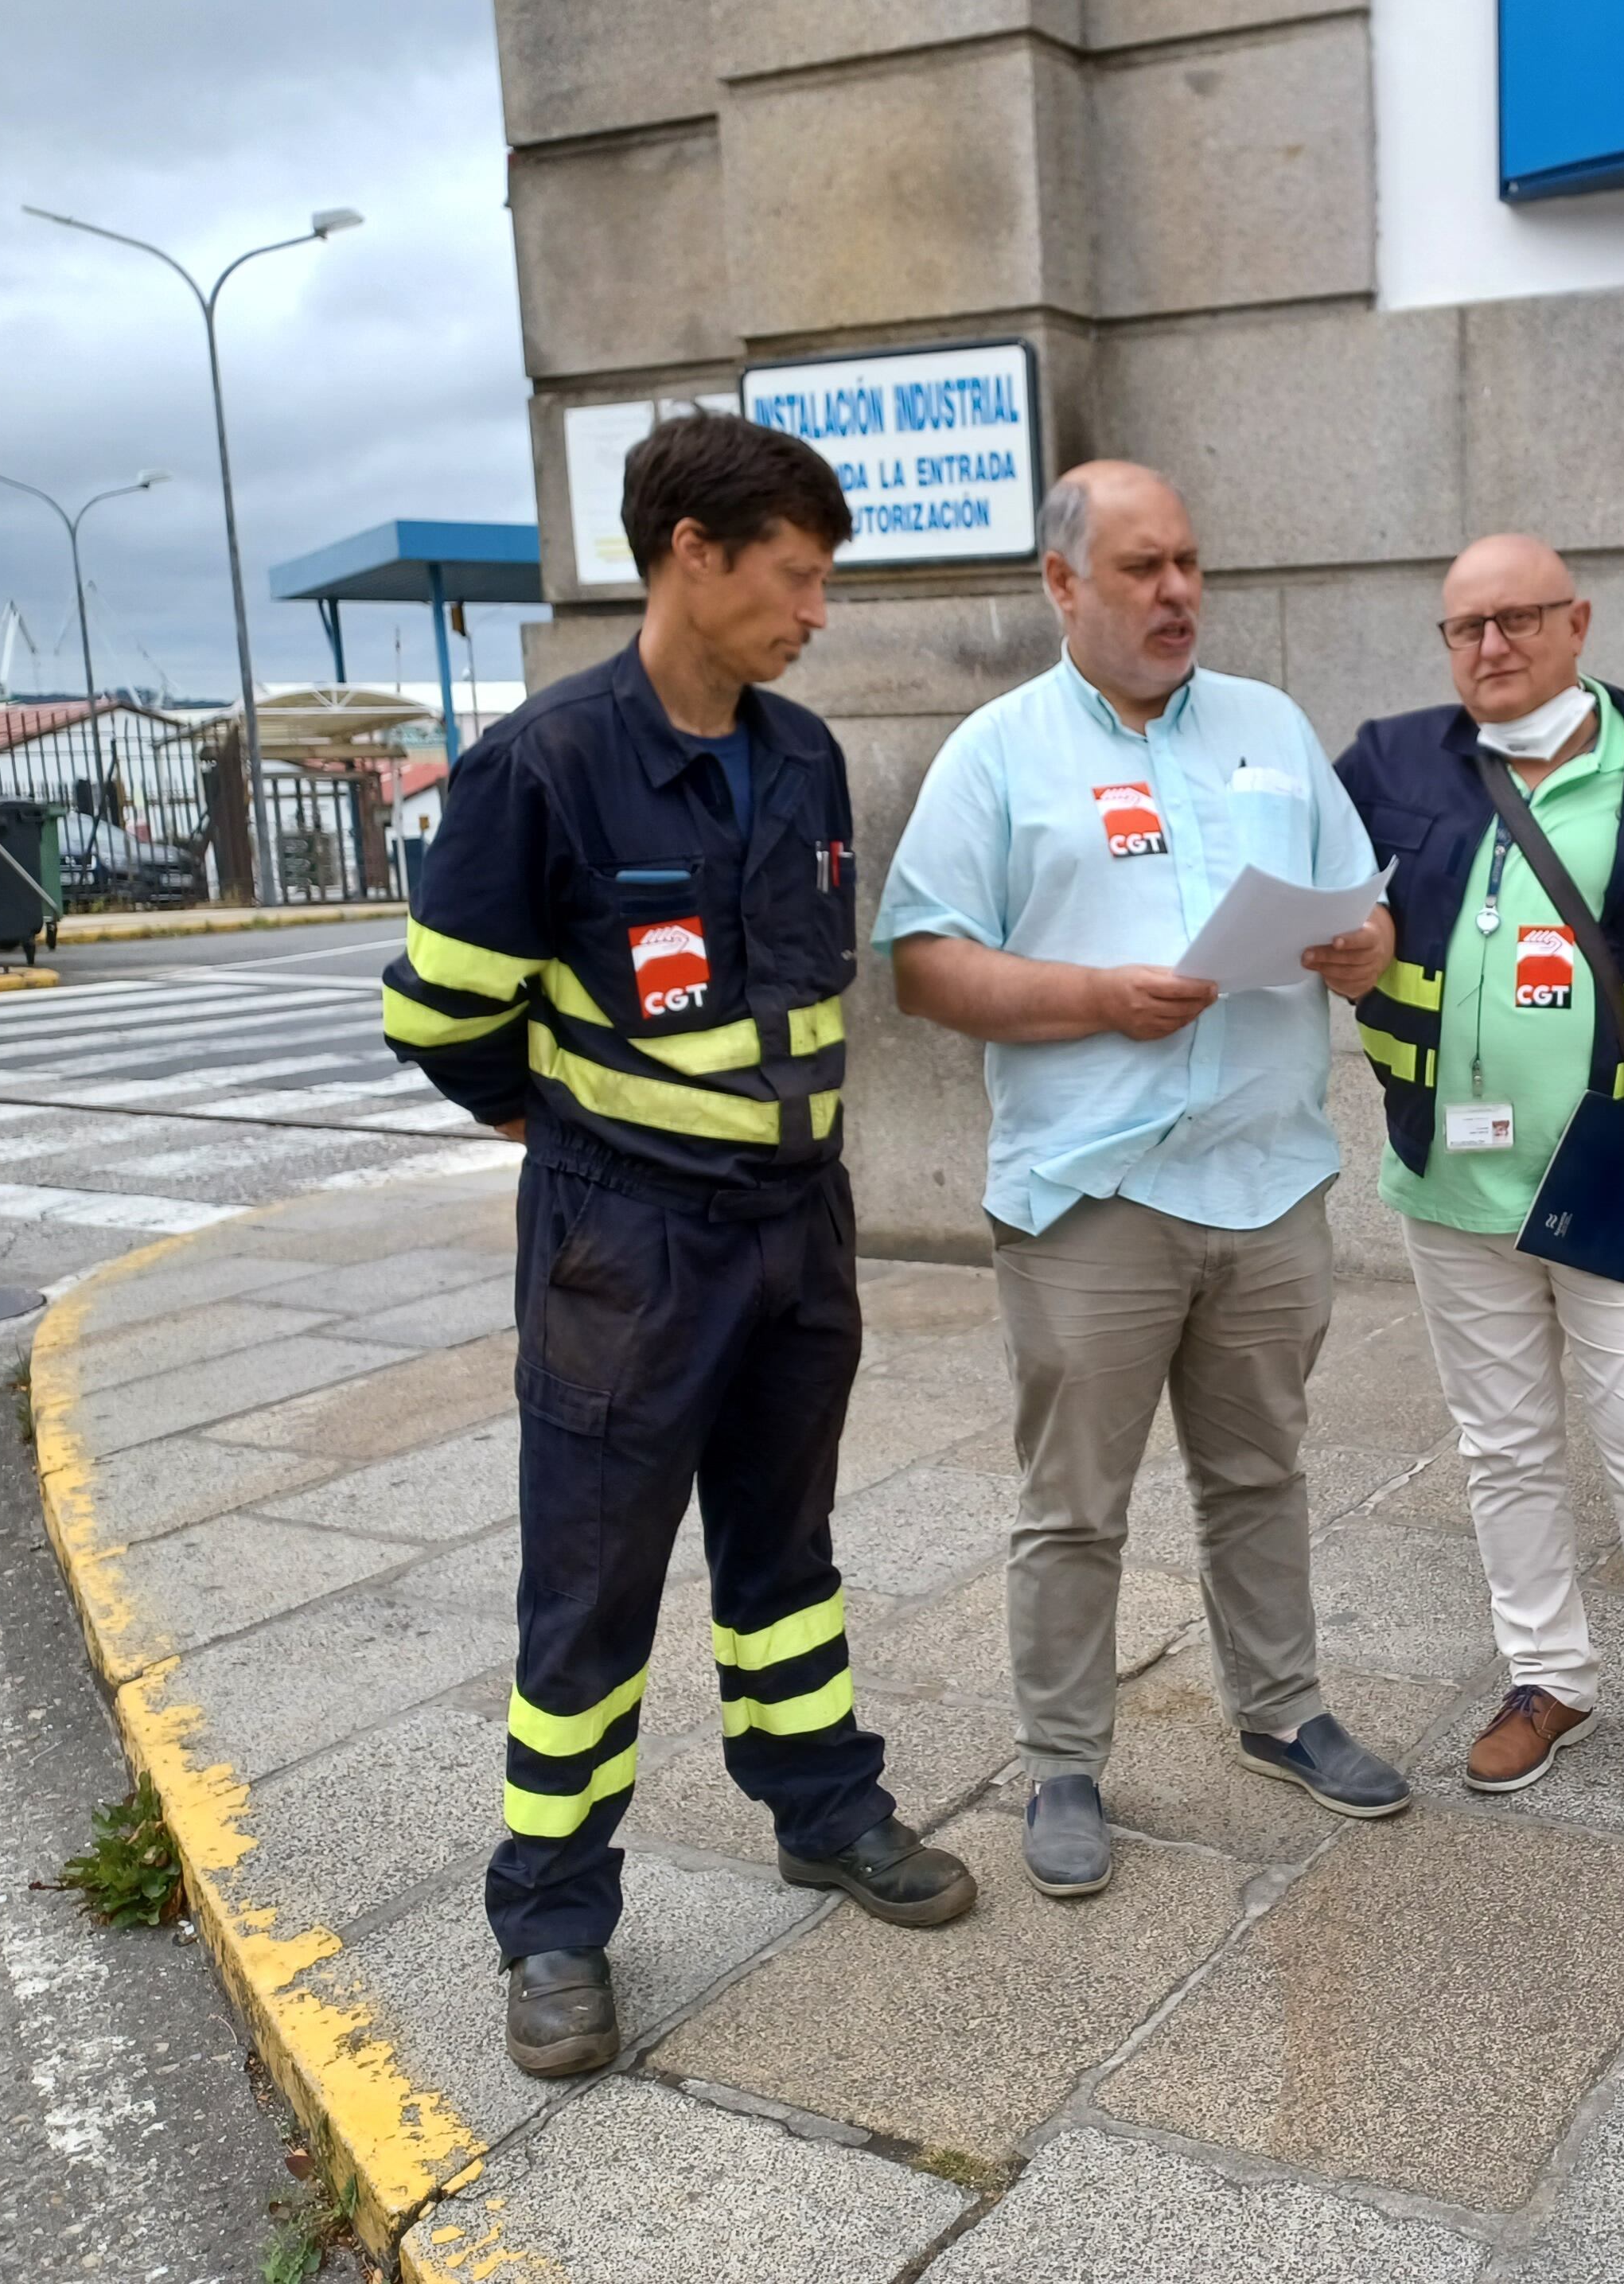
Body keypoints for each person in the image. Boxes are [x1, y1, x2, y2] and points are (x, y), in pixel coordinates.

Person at [384, 410, 975, 2081]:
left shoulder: (801, 757)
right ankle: (553, 1921)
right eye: (794, 578)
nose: (815, 610)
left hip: (798, 1227)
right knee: (590, 1589)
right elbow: (440, 1012)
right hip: (626, 1247)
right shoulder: (546, 764)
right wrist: (557, 1123)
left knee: (786, 1558)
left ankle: (822, 1809)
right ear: (691, 556)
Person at [874, 459, 1413, 1898]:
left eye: (1188, 562)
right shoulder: (995, 752)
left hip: (1266, 1177)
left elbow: (1365, 909)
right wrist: (1096, 998)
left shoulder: (1273, 729)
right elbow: (924, 962)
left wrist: (1367, 945)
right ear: (1063, 587)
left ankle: (1284, 1711)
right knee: (1075, 1502)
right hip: (1090, 1196)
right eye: (1140, 569)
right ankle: (1062, 1761)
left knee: (1260, 1471)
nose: (1176, 592)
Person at [1330, 534, 1624, 1869]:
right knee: (1503, 1446)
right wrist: (1342, 950)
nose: (1491, 645)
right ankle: (1547, 1678)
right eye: (1464, 626)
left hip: (1623, 1176)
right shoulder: (1387, 762)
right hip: (1450, 1173)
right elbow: (1326, 908)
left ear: (1577, 621)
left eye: (1518, 618)